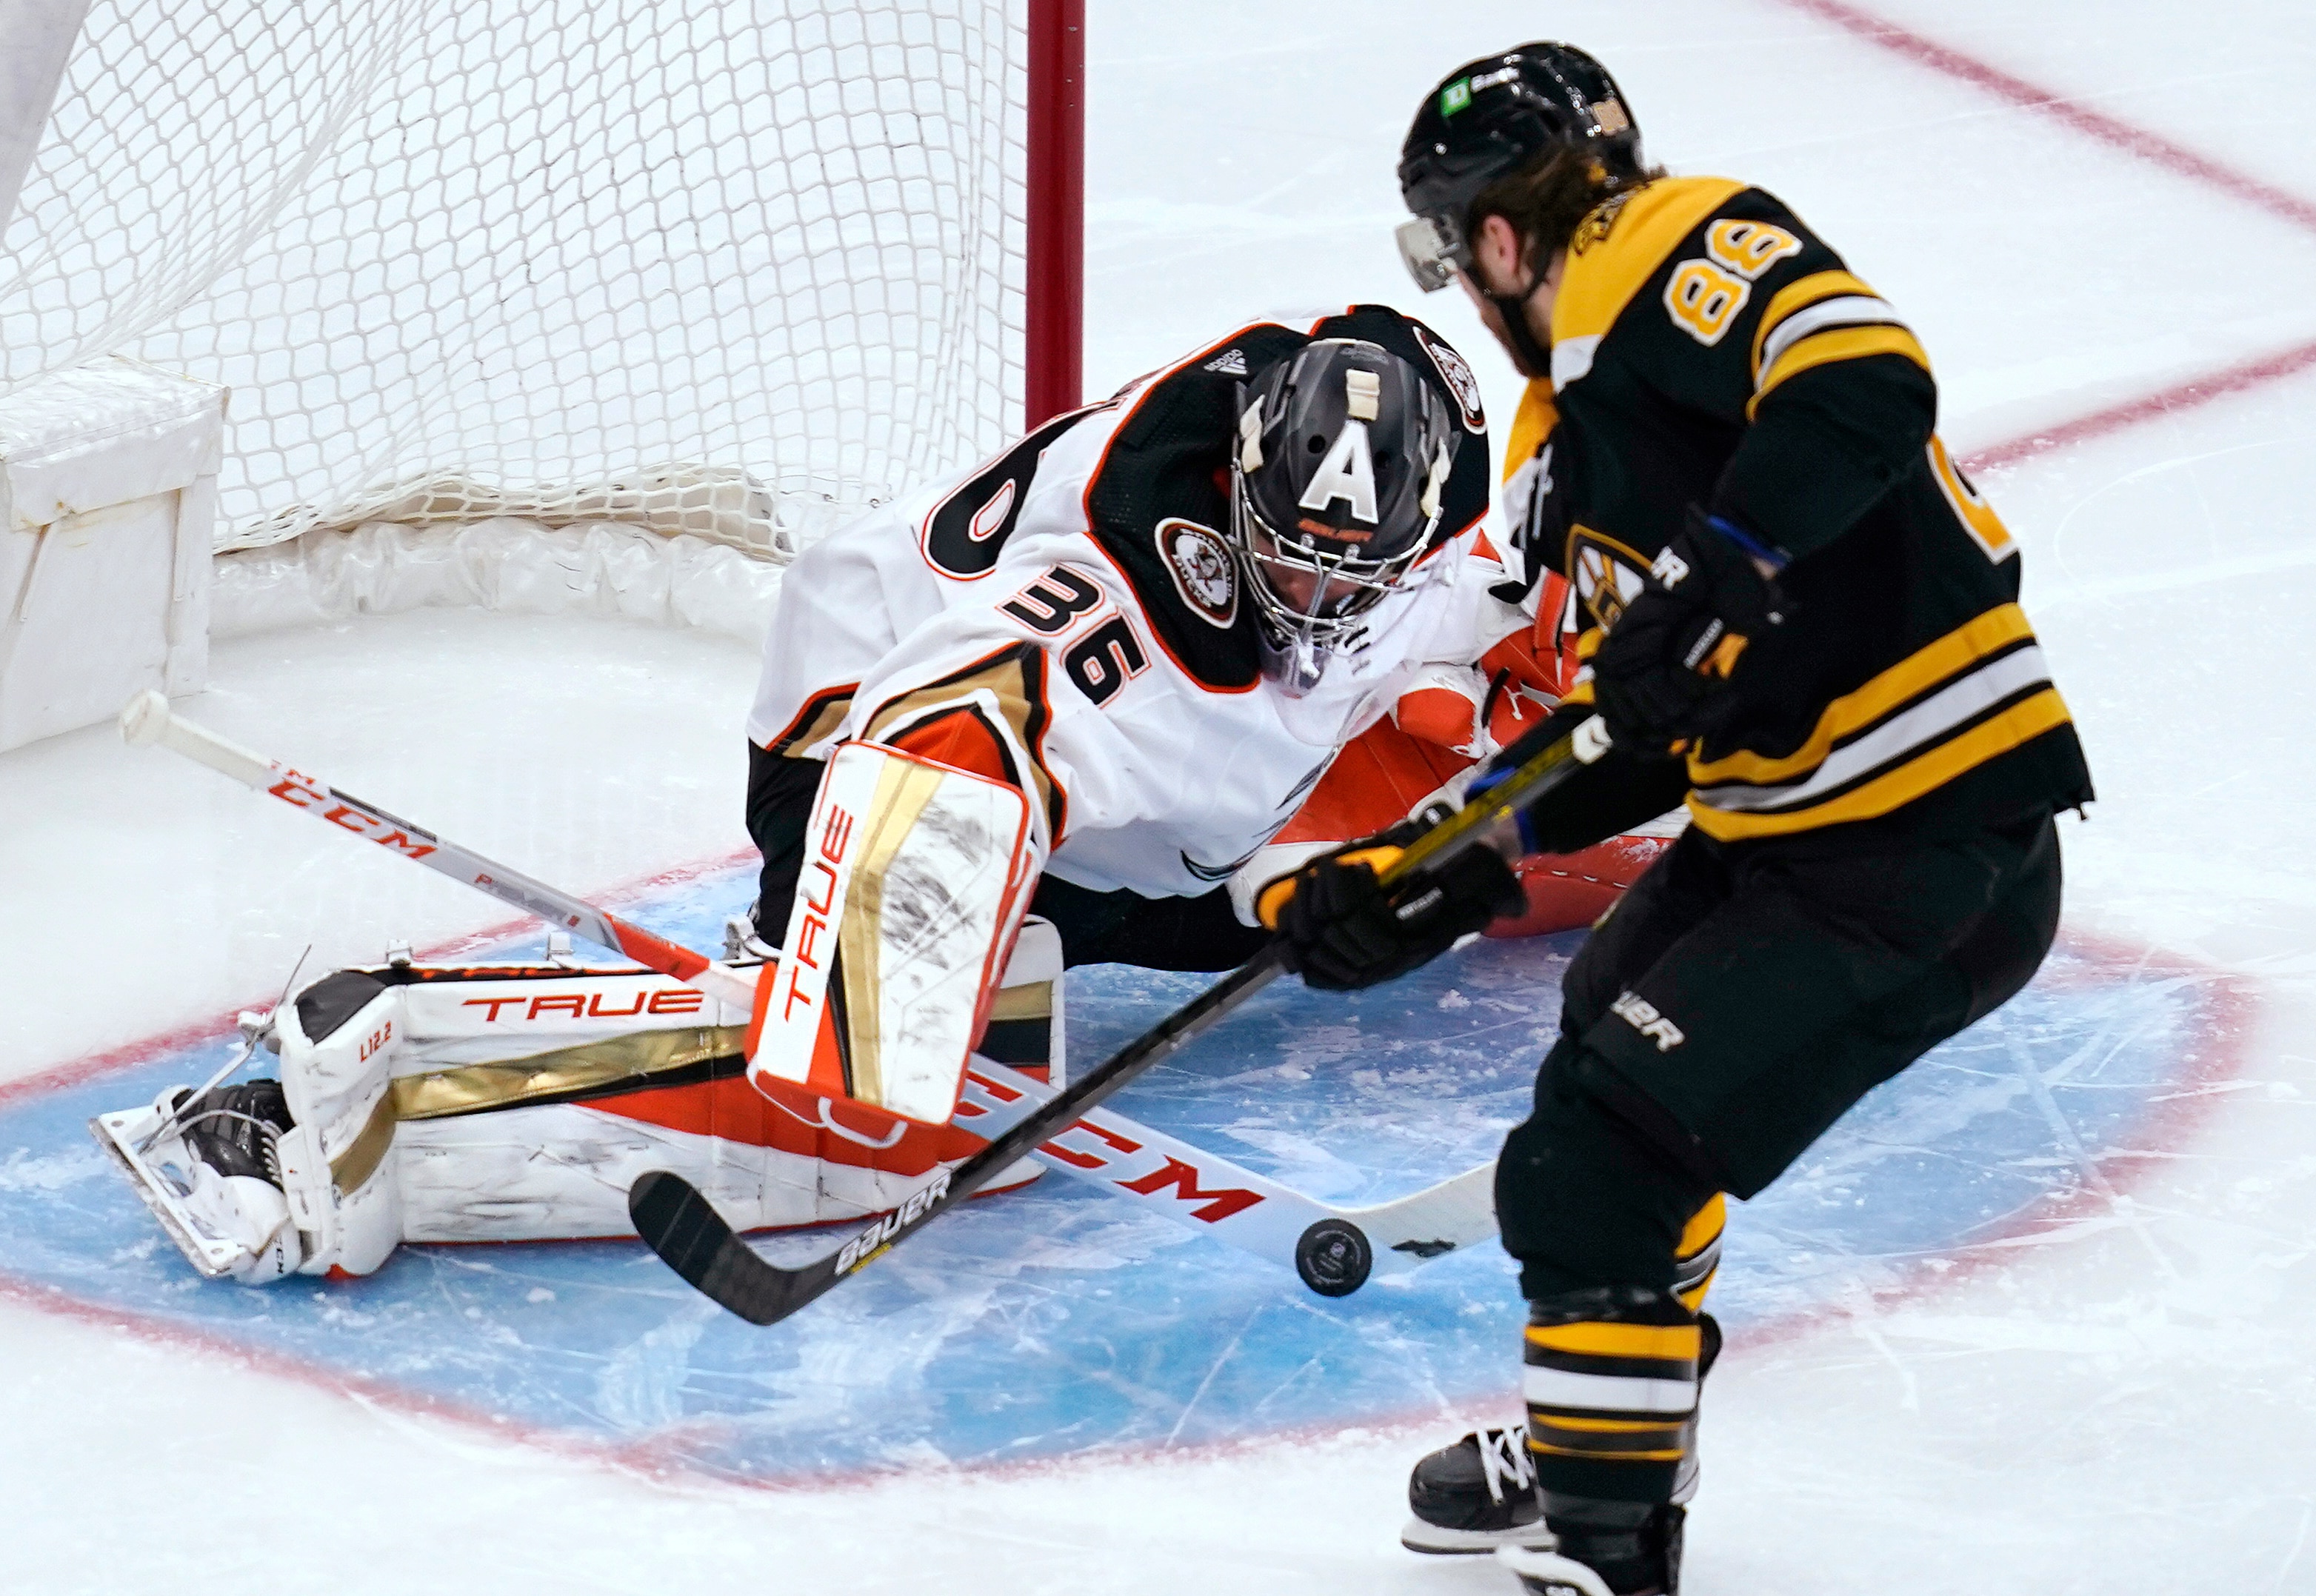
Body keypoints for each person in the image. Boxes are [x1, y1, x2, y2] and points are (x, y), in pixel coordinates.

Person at [107, 308, 1558, 1285]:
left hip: (1117, 826)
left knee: (1429, 857)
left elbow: (1529, 614)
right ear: (1241, 481)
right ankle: (361, 1086)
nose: (1306, 598)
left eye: (1347, 578)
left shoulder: (1432, 554)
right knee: (880, 1104)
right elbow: (956, 716)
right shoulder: (1126, 583)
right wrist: (889, 984)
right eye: (1281, 556)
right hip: (856, 746)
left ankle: (849, 992)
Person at [1269, 46, 2098, 1596]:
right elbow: (1638, 727)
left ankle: (1608, 1547)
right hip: (1813, 835)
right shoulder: (1573, 437)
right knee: (1604, 1041)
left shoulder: (1656, 249)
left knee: (1599, 1166)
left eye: (1460, 254)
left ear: (1501, 237)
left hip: (1924, 840)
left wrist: (1728, 557)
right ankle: (1611, 1441)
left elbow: (1863, 381)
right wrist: (1449, 867)